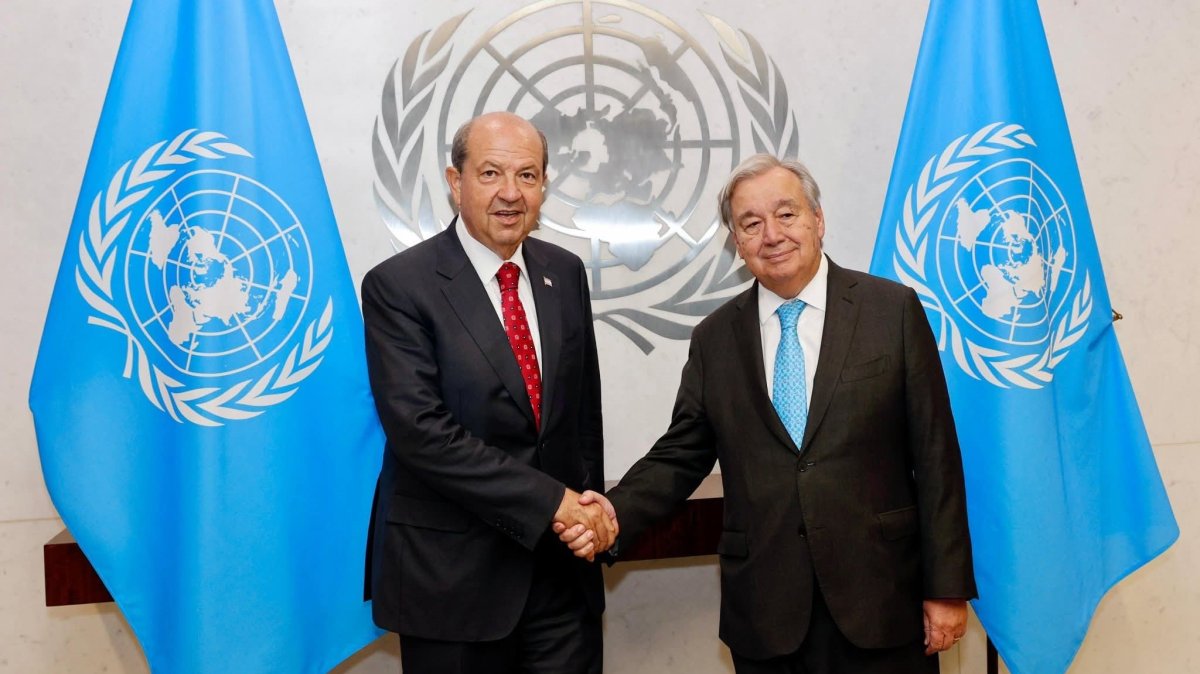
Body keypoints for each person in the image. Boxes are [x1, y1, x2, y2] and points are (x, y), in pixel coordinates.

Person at [559, 154, 976, 673]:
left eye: (786, 214)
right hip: (767, 609)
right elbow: (681, 454)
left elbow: (936, 457)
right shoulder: (715, 338)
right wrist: (612, 516)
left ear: (818, 220)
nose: (771, 235)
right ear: (737, 243)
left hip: (883, 600)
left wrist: (946, 590)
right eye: (751, 224)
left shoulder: (890, 311)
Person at [362, 111, 615, 674]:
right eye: (491, 173)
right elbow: (422, 434)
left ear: (544, 186)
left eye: (527, 176)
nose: (510, 193)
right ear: (455, 184)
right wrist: (554, 502)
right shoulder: (400, 286)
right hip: (454, 582)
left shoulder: (564, 271)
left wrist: (590, 515)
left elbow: (581, 417)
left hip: (561, 580)